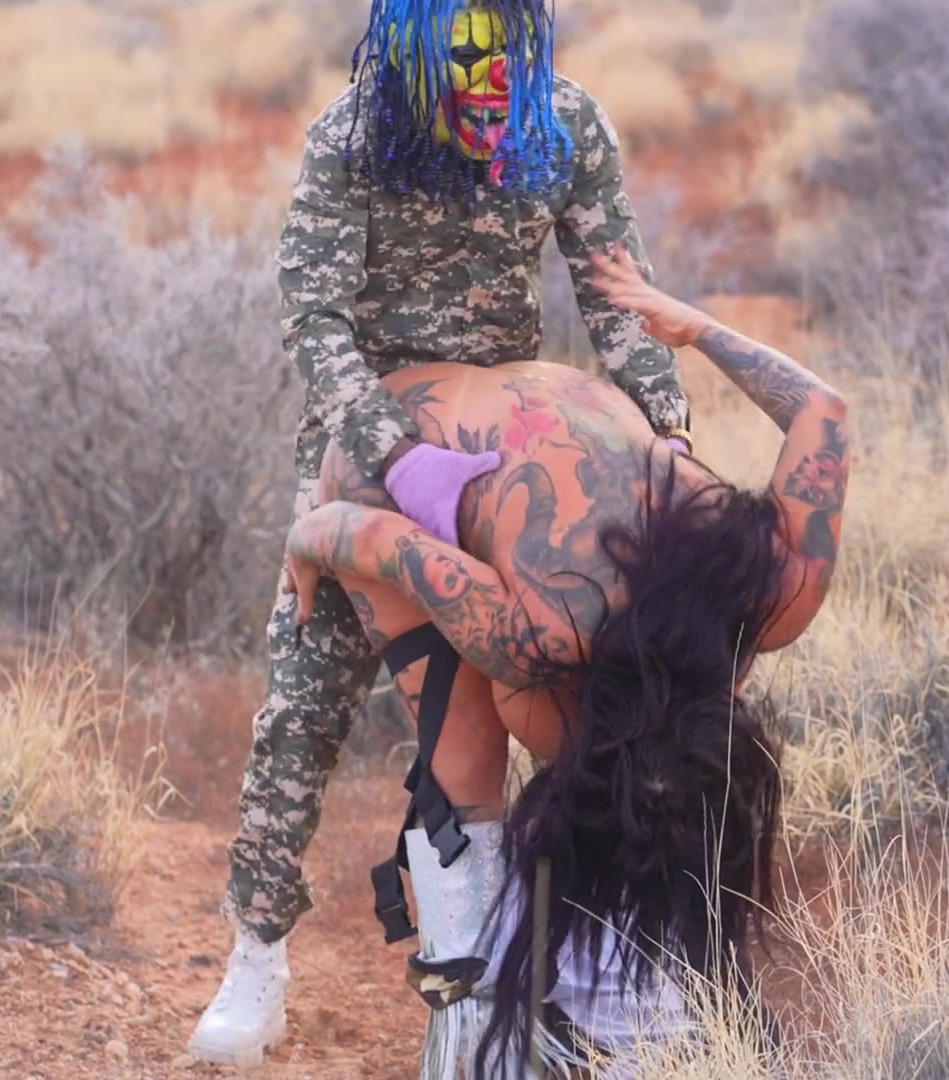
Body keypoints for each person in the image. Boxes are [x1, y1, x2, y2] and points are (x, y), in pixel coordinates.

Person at [190, 0, 695, 1064]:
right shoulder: (352, 136)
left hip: (509, 460)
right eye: (461, 67)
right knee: (305, 700)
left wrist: (666, 433)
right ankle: (257, 951)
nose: (487, 90)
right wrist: (396, 459)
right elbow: (315, 322)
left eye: (504, 64)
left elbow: (617, 299)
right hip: (367, 458)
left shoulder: (562, 123)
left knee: (570, 695)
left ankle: (557, 971)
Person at [278, 249, 852, 1076]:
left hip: (567, 414)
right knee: (467, 757)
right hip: (393, 451)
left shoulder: (779, 585)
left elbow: (822, 410)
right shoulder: (532, 634)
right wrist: (305, 535)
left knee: (541, 737)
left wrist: (694, 328)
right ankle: (473, 1031)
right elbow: (370, 535)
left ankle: (610, 1001)